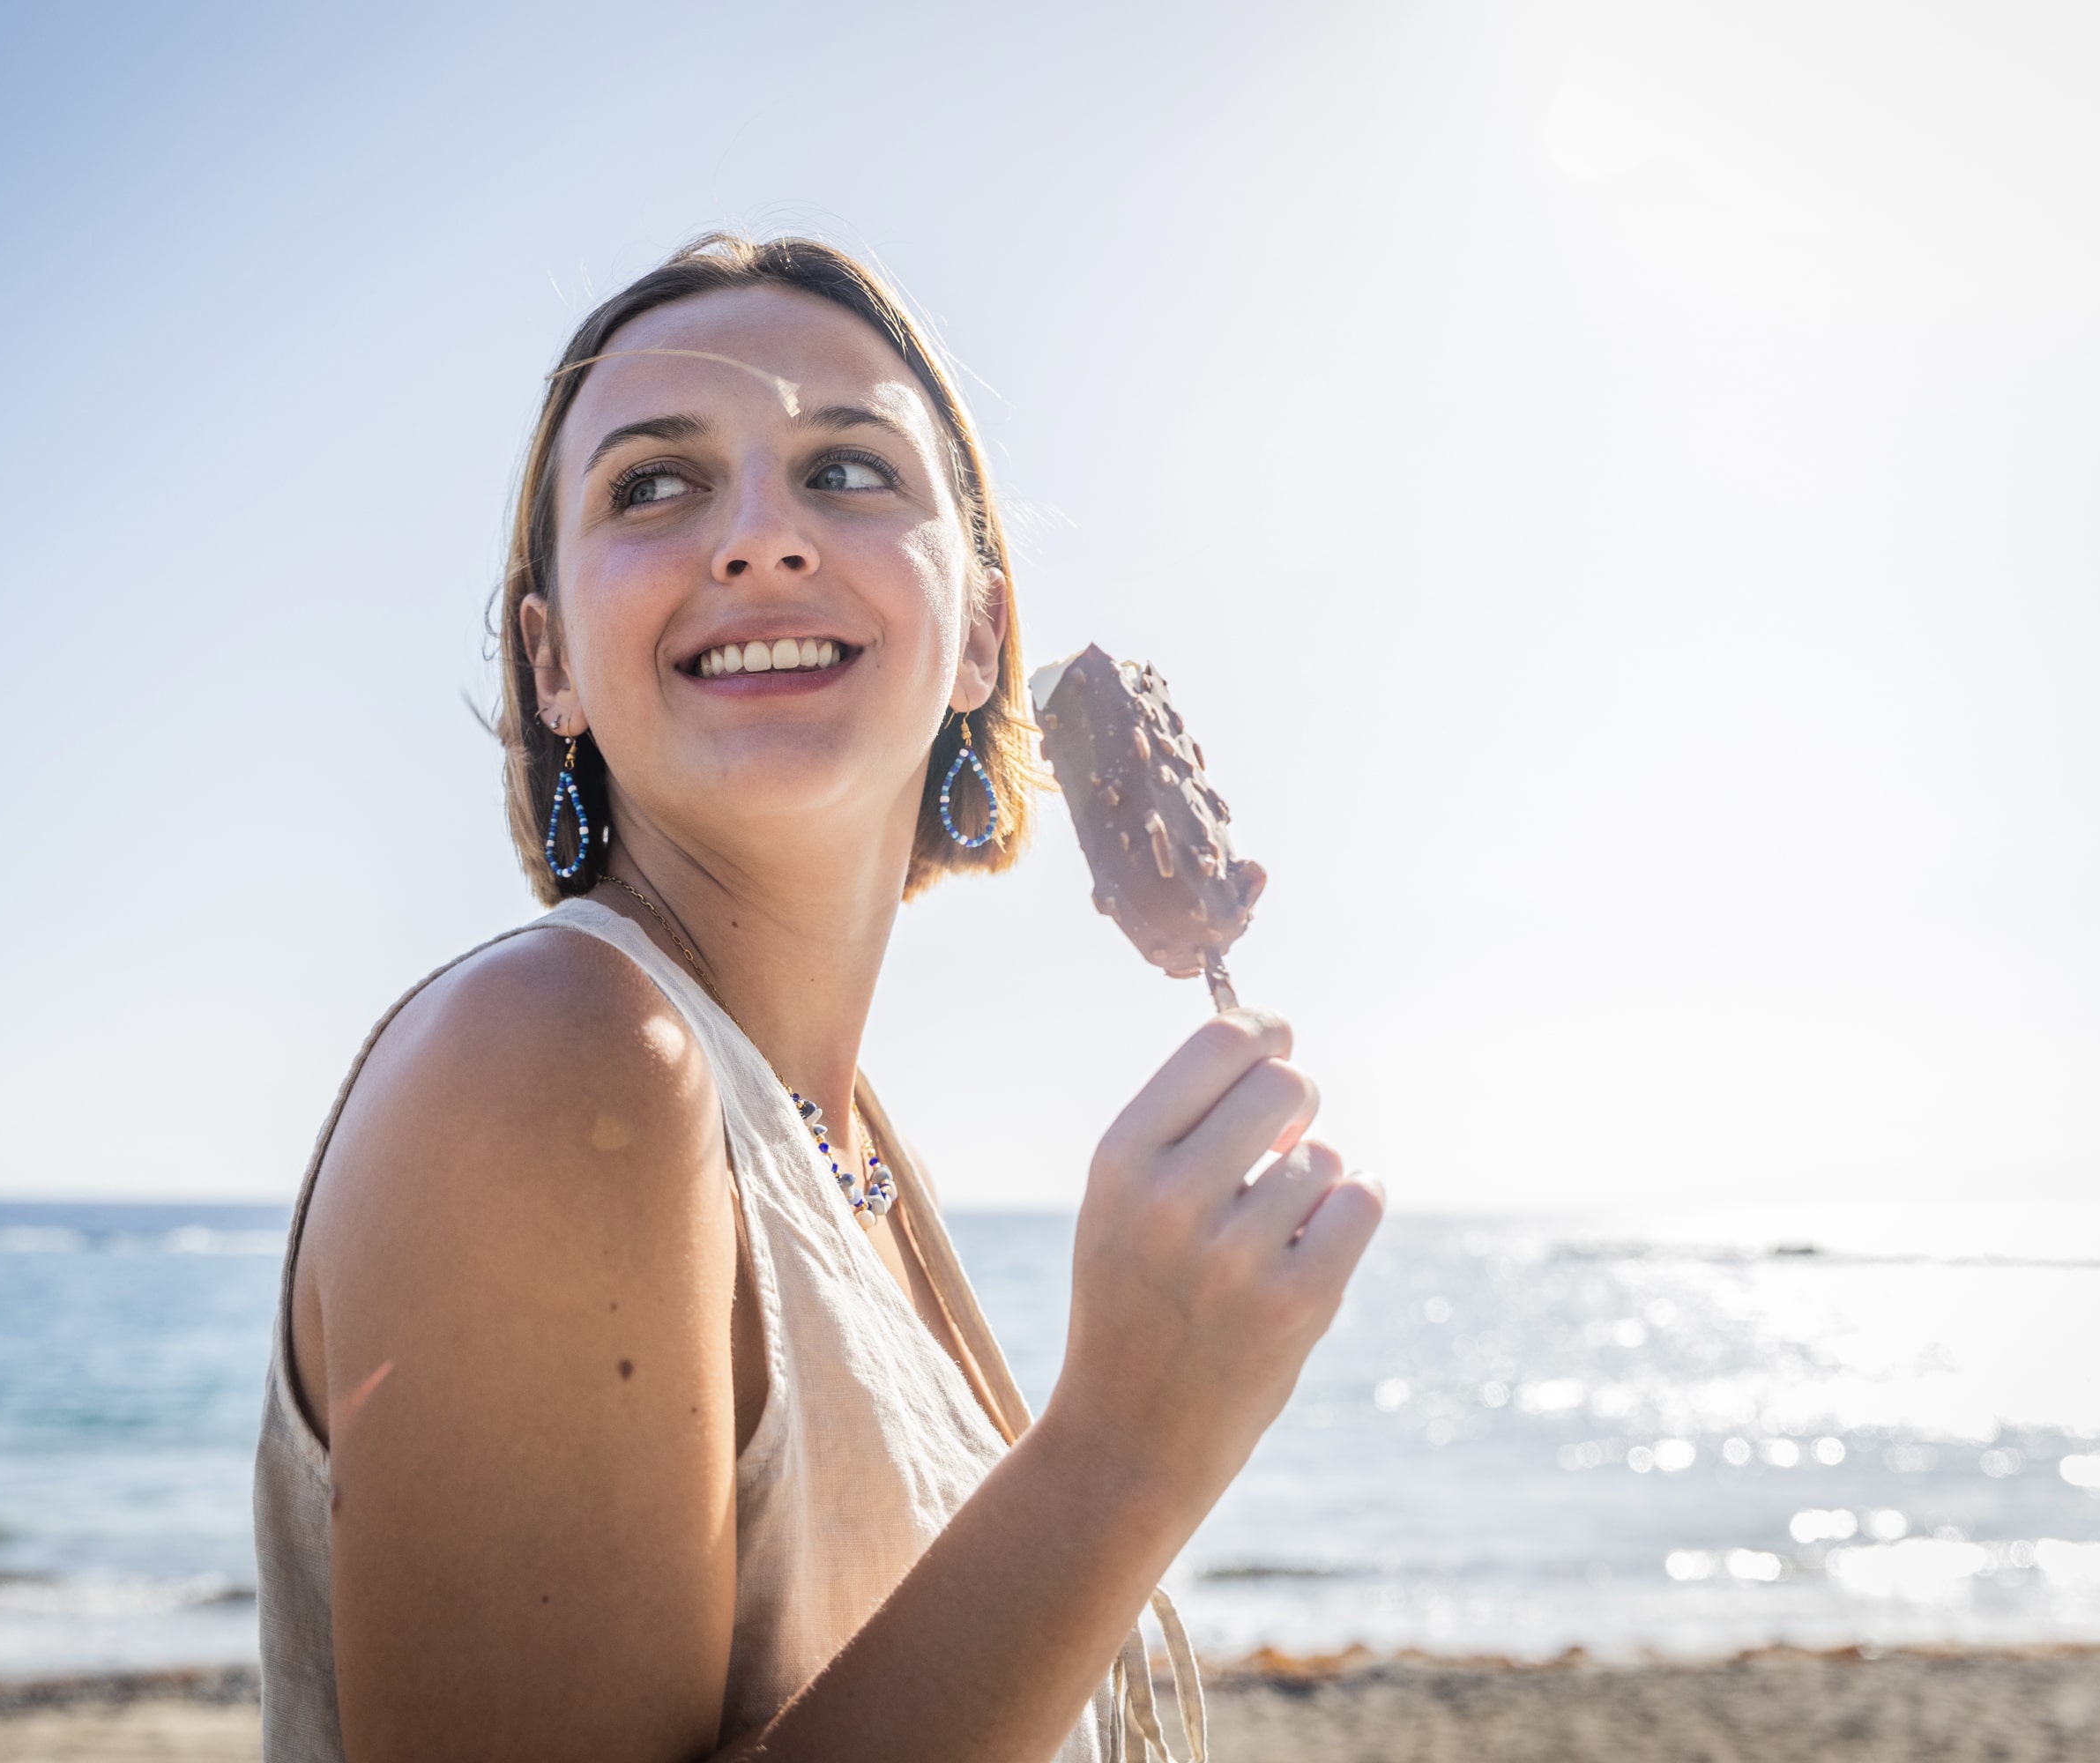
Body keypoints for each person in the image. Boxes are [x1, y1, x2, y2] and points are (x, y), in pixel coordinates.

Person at [251, 234, 1383, 1763]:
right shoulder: (553, 1063)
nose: (762, 540)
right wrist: (1122, 1451)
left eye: (848, 469)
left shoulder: (847, 1160)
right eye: (655, 485)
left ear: (983, 630)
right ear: (550, 662)